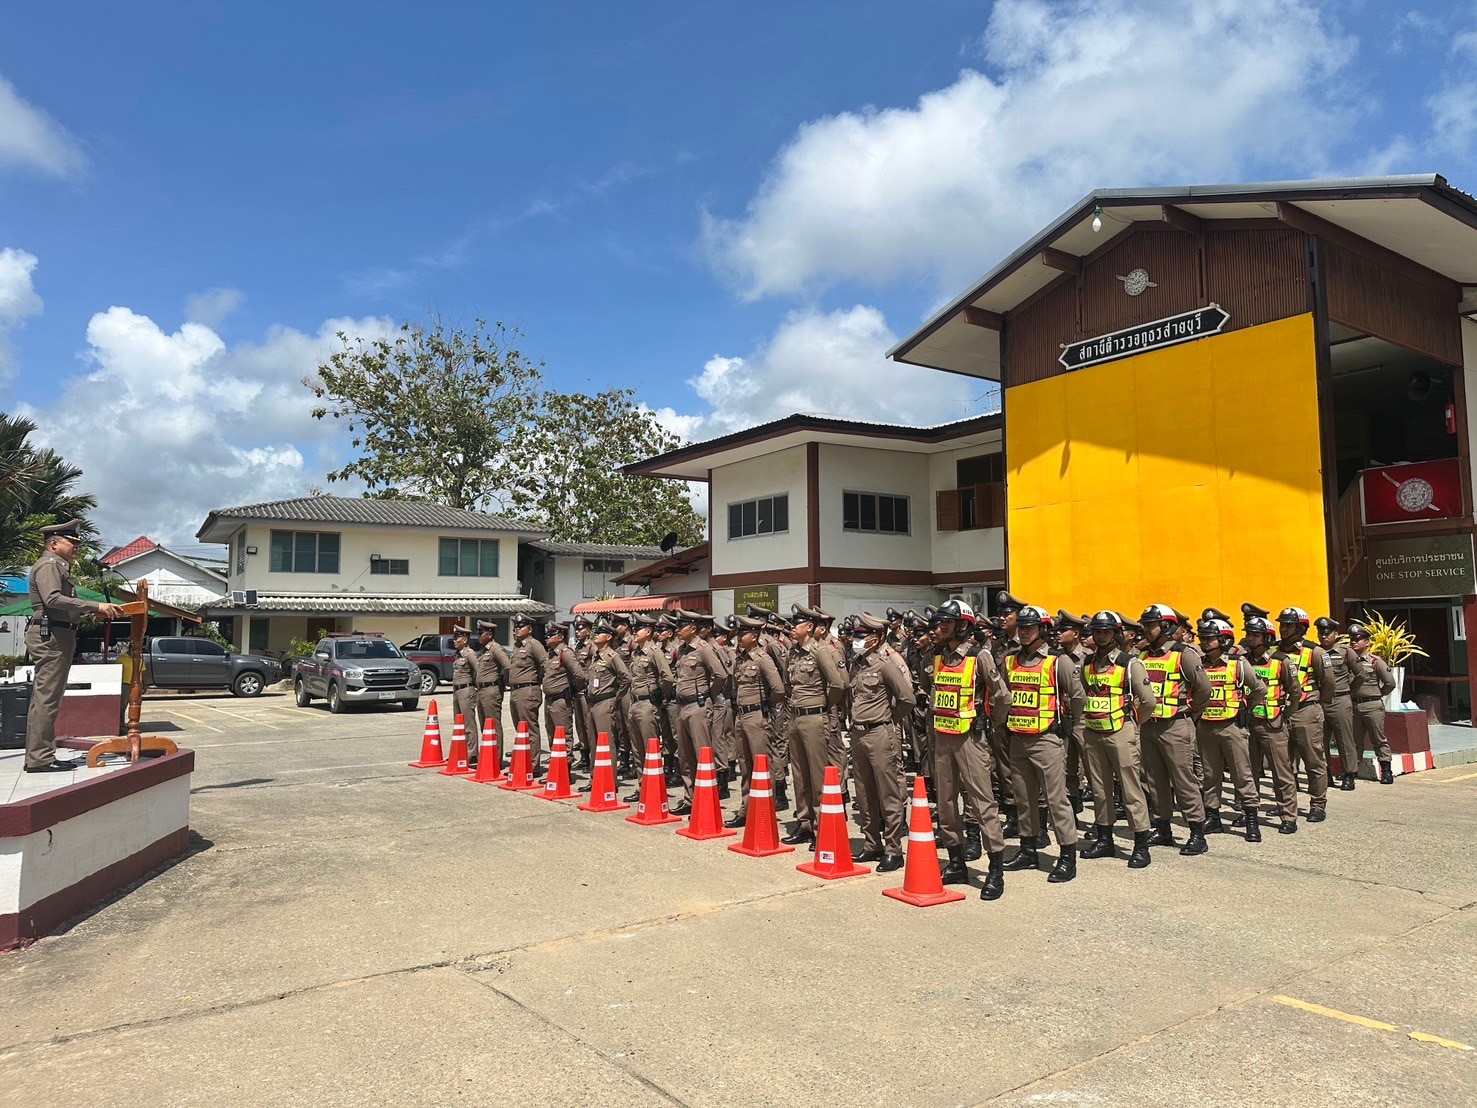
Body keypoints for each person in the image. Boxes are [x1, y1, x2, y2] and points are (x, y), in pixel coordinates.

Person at [24, 520, 124, 772]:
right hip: (52, 636)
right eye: (72, 542)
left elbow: (60, 604)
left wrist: (88, 612)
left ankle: (40, 755)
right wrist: (95, 606)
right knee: (47, 699)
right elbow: (52, 599)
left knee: (47, 698)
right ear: (54, 544)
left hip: (58, 634)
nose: (76, 547)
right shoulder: (50, 565)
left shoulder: (58, 566)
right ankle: (39, 759)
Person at [928, 599, 1009, 898]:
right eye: (940, 622)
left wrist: (990, 724)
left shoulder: (979, 657)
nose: (941, 627)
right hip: (944, 736)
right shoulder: (939, 656)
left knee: (982, 802)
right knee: (946, 803)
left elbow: (1003, 697)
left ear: (963, 626)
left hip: (970, 738)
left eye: (947, 623)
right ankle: (956, 862)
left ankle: (995, 870)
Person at [1001, 605, 1085, 883]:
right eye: (1021, 628)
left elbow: (1078, 697)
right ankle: (1028, 850)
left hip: (1047, 738)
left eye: (1029, 628)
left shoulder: (1058, 661)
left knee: (1056, 799)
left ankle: (1067, 857)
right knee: (1024, 799)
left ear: (1043, 630)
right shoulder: (1011, 660)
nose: (1024, 632)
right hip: (1018, 738)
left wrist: (1067, 722)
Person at [1078, 611, 1156, 867]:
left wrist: (1133, 724)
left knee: (1130, 788)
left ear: (1116, 634)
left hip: (1121, 731)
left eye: (1106, 631)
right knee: (1100, 789)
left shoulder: (1130, 663)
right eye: (1097, 631)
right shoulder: (1087, 663)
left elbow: (1148, 702)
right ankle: (1104, 840)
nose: (1100, 636)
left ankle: (1141, 844)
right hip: (1093, 731)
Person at [1137, 604, 1212, 855]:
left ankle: (1197, 833)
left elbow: (1203, 689)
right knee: (1154, 780)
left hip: (1175, 724)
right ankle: (1163, 829)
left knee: (1184, 780)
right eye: (1145, 625)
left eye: (1150, 625)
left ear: (1166, 626)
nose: (1146, 629)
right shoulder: (1143, 655)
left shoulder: (1184, 654)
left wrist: (1191, 712)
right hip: (1149, 726)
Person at [846, 613, 915, 873]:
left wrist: (889, 719)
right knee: (864, 792)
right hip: (858, 734)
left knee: (888, 793)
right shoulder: (856, 665)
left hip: (880, 733)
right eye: (855, 635)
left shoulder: (886, 665)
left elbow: (907, 699)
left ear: (874, 640)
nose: (855, 640)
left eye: (861, 636)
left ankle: (893, 850)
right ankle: (871, 843)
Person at [781, 604, 846, 846]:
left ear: (809, 627)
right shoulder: (793, 653)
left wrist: (823, 705)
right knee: (799, 774)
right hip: (796, 717)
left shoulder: (820, 652)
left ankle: (822, 827)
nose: (791, 628)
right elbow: (787, 684)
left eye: (795, 624)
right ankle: (805, 823)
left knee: (818, 775)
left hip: (815, 718)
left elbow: (837, 684)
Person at [1195, 617, 1265, 839]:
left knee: (1242, 774)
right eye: (1202, 638)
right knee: (1210, 775)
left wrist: (1245, 708)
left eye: (1209, 638)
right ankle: (1213, 817)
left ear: (1224, 640)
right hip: (1205, 726)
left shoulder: (1238, 663)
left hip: (1231, 726)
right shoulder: (1198, 663)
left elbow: (1260, 689)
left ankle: (1251, 819)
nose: (1204, 642)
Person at [726, 615, 787, 829]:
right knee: (745, 765)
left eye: (743, 634)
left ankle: (765, 809)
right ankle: (746, 809)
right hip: (741, 716)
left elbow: (778, 689)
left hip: (757, 716)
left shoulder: (762, 658)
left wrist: (765, 706)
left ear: (753, 636)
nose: (739, 638)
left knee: (761, 765)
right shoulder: (741, 659)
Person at [1243, 614, 1302, 835]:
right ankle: (1249, 813)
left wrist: (1286, 714)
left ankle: (1288, 816)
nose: (1250, 638)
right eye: (1249, 634)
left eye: (1255, 635)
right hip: (1247, 724)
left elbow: (1295, 692)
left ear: (1267, 637)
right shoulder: (1242, 661)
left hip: (1272, 725)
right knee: (1248, 772)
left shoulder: (1281, 661)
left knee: (1281, 772)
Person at [1278, 607, 1333, 823]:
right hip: (1281, 712)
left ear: (1300, 628)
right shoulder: (1274, 651)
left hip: (1306, 711)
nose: (1283, 629)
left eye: (1288, 625)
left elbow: (1328, 683)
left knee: (1313, 760)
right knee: (1283, 763)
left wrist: (1316, 704)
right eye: (1282, 624)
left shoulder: (1314, 652)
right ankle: (1287, 805)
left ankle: (1318, 804)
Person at [670, 610, 727, 817]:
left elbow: (721, 675)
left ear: (693, 629)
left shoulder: (704, 649)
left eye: (681, 627)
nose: (678, 630)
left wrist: (708, 695)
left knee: (702, 755)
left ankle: (706, 800)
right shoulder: (682, 650)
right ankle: (690, 798)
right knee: (685, 757)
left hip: (698, 706)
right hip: (682, 707)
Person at [1346, 622, 1397, 784]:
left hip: (1372, 706)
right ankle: (1352, 772)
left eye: (1358, 639)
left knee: (1378, 739)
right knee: (1354, 742)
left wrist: (1377, 694)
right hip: (1353, 706)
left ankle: (1386, 771)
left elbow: (1390, 683)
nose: (1354, 642)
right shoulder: (1346, 662)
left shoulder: (1375, 661)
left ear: (1367, 642)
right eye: (1352, 639)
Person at [1316, 616, 1358, 791]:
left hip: (1340, 700)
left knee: (1345, 740)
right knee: (1319, 741)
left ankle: (1349, 775)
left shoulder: (1346, 652)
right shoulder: (1314, 652)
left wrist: (1349, 692)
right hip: (1320, 701)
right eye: (1321, 633)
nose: (1324, 636)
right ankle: (1326, 775)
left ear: (1336, 634)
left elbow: (1360, 674)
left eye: (1327, 633)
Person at [584, 622, 629, 767]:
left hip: (605, 702)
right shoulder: (595, 655)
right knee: (593, 741)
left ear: (609, 637)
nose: (595, 636)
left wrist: (617, 697)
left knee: (606, 741)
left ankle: (609, 776)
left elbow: (626, 678)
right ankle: (595, 775)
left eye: (599, 633)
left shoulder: (612, 656)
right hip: (592, 702)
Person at [507, 615, 548, 774]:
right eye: (516, 627)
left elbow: (545, 664)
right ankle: (522, 762)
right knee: (520, 729)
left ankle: (532, 765)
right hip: (516, 691)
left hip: (528, 690)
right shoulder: (517, 646)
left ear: (529, 629)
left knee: (530, 728)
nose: (517, 629)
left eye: (520, 626)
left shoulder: (534, 645)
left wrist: (538, 681)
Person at [540, 623, 587, 757]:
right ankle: (556, 761)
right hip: (549, 700)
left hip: (560, 700)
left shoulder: (566, 653)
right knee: (551, 733)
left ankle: (566, 763)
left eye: (551, 635)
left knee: (563, 733)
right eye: (547, 635)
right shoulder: (551, 654)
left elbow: (579, 675)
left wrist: (573, 690)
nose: (547, 637)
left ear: (560, 637)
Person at [475, 621, 511, 767]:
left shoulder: (495, 648)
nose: (478, 636)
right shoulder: (484, 650)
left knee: (493, 725)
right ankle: (487, 757)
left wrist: (505, 682)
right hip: (481, 690)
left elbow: (507, 666)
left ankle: (496, 759)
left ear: (489, 635)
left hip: (491, 690)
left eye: (481, 633)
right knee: (484, 726)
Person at [450, 626, 481, 757]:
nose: (454, 641)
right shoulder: (458, 654)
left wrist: (475, 687)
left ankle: (472, 754)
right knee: (458, 723)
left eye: (457, 638)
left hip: (466, 691)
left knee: (468, 724)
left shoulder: (469, 654)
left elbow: (478, 671)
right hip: (457, 691)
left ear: (464, 640)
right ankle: (461, 752)